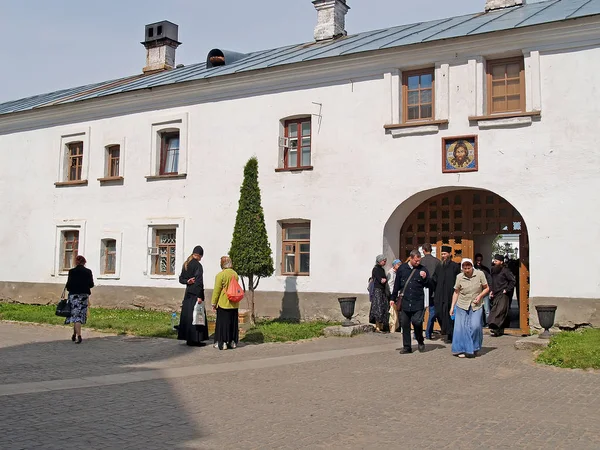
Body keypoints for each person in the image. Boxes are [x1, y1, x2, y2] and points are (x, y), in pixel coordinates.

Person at [391, 249, 429, 354]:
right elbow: (397, 284)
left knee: (417, 322)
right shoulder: (402, 268)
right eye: (416, 261)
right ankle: (407, 347)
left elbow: (429, 284)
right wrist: (392, 298)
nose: (418, 263)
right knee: (405, 324)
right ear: (411, 258)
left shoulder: (423, 269)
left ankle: (420, 340)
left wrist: (425, 278)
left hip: (418, 301)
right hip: (405, 301)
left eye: (419, 260)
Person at [450, 258, 489, 358]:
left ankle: (475, 347)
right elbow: (456, 292)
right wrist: (452, 307)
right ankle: (461, 349)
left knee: (475, 326)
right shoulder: (459, 277)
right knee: (461, 328)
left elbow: (486, 288)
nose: (467, 270)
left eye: (469, 267)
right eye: (465, 268)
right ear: (462, 268)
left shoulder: (480, 274)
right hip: (462, 304)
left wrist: (480, 296)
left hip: (476, 305)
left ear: (472, 266)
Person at [177, 245, 209, 346]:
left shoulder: (186, 264)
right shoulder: (198, 266)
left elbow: (181, 279)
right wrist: (200, 296)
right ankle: (196, 339)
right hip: (195, 294)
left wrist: (187, 281)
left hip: (188, 294)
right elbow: (199, 282)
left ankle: (188, 338)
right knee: (197, 316)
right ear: (199, 255)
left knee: (188, 316)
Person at [211, 256, 241, 350]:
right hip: (234, 303)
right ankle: (233, 342)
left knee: (222, 324)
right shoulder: (235, 274)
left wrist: (213, 303)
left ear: (222, 264)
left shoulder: (220, 275)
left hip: (224, 303)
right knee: (233, 323)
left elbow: (217, 290)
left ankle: (222, 342)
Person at [433, 245, 461, 344]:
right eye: (442, 254)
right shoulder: (439, 266)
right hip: (440, 295)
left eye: (445, 254)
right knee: (439, 313)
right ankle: (445, 330)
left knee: (450, 315)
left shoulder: (455, 266)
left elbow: (458, 280)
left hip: (450, 295)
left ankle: (451, 334)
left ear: (449, 254)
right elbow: (434, 279)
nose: (443, 256)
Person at [64, 255, 94, 344]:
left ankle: (78, 335)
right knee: (79, 315)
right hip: (84, 296)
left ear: (76, 262)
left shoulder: (72, 272)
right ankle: (75, 334)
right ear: (84, 262)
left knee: (75, 315)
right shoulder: (88, 271)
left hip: (74, 295)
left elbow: (68, 286)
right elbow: (91, 284)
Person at [487, 254, 516, 337]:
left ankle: (497, 328)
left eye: (496, 261)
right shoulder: (493, 270)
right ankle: (497, 329)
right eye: (494, 261)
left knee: (500, 311)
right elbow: (492, 281)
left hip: (503, 294)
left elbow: (512, 281)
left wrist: (506, 289)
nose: (494, 262)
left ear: (501, 262)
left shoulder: (506, 271)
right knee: (494, 311)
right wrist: (491, 291)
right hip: (495, 293)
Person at [420, 243, 440, 340]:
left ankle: (417, 333)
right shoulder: (437, 261)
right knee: (432, 311)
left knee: (420, 312)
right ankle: (428, 332)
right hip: (434, 290)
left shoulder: (420, 261)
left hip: (421, 290)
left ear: (423, 250)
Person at [370, 254, 388, 332]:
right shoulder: (376, 269)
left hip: (382, 290)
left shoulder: (382, 269)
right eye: (384, 261)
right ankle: (377, 326)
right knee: (378, 308)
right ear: (379, 261)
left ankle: (381, 326)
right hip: (377, 290)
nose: (385, 262)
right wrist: (382, 280)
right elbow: (379, 278)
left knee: (383, 307)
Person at [474, 253, 492, 325]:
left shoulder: (485, 269)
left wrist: (490, 289)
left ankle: (488, 323)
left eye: (480, 260)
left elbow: (489, 279)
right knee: (479, 309)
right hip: (476, 291)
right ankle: (480, 324)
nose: (479, 262)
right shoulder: (473, 269)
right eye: (477, 260)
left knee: (487, 309)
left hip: (485, 291)